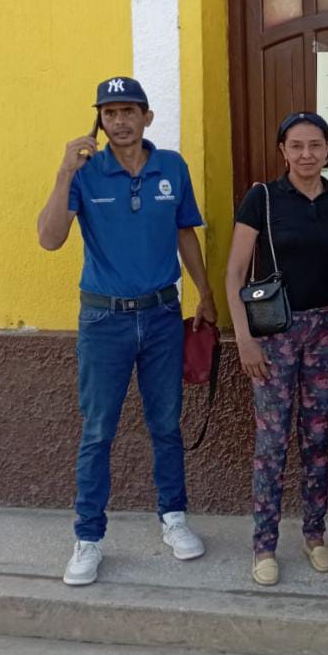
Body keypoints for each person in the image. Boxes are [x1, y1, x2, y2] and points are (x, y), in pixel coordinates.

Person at [37, 77, 217, 587]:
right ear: (100, 118)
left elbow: (185, 233)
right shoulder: (85, 171)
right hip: (103, 319)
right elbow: (50, 240)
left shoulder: (172, 167)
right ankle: (88, 538)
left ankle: (174, 519)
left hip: (162, 314)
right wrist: (61, 175)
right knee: (97, 431)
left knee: (167, 423)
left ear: (147, 117)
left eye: (128, 111)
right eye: (110, 112)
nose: (119, 121)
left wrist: (204, 293)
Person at [225, 112, 328, 587]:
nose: (307, 154)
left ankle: (315, 534)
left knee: (317, 438)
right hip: (272, 335)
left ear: (327, 149)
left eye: (316, 145)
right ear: (283, 149)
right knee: (272, 442)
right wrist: (244, 339)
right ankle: (264, 544)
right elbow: (235, 274)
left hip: (326, 330)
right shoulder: (261, 199)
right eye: (297, 145)